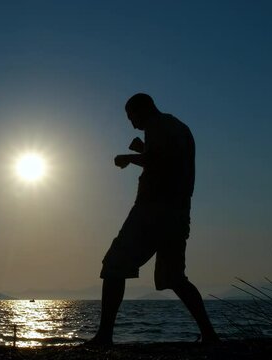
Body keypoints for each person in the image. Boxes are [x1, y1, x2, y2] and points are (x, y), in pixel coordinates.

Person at [87, 93, 219, 346]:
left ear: (142, 109)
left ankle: (104, 336)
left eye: (132, 117)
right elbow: (171, 162)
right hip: (178, 214)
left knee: (115, 266)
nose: (132, 124)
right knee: (175, 277)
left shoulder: (159, 126)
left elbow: (159, 162)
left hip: (152, 211)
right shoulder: (178, 127)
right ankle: (210, 335)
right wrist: (143, 150)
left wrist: (129, 158)